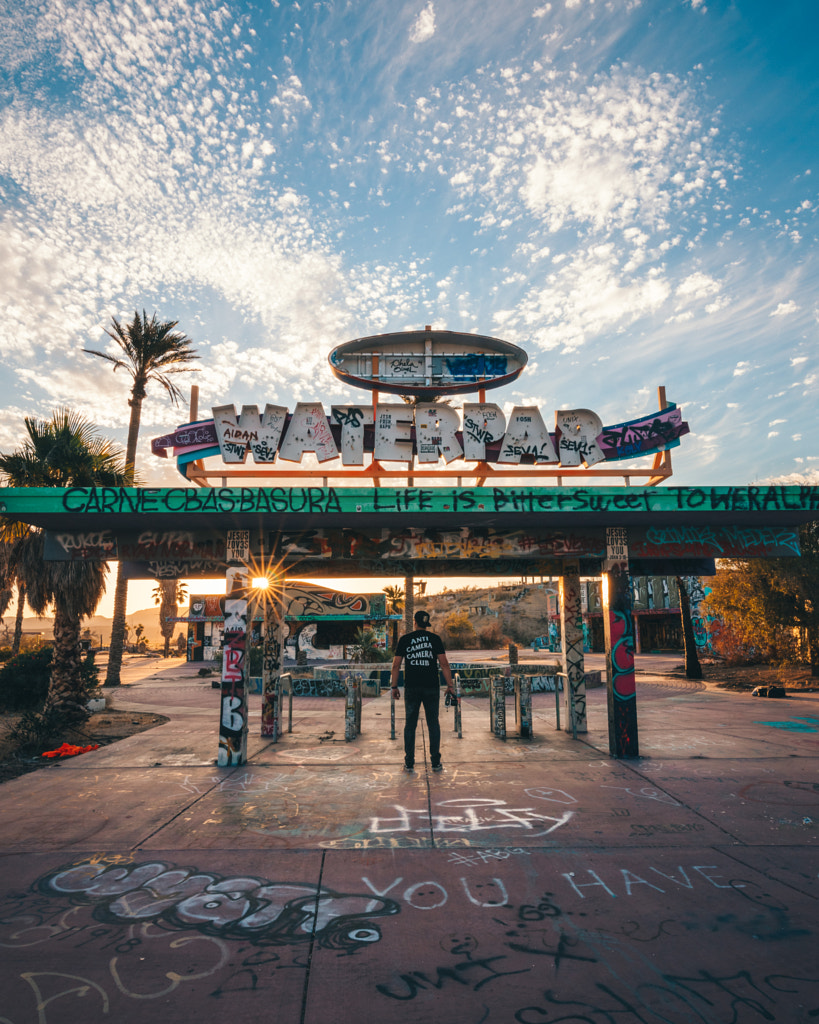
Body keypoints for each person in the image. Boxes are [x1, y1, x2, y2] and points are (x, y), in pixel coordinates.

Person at [391, 609, 455, 773]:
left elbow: (396, 665)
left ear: (415, 622)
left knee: (410, 725)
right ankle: (435, 763)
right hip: (431, 687)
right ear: (426, 624)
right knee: (433, 723)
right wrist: (450, 686)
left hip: (412, 687)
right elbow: (444, 664)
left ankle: (409, 763)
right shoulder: (435, 639)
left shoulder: (405, 640)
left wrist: (394, 686)